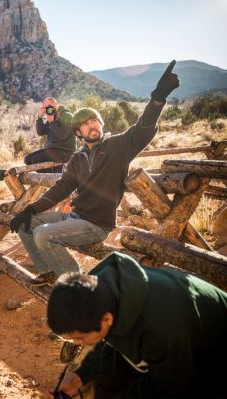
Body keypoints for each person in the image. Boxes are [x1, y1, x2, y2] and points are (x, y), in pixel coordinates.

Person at [10, 60, 180, 286]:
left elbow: (143, 130)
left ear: (100, 124)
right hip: (75, 217)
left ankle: (79, 284)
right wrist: (30, 209)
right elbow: (61, 188)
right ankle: (49, 271)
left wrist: (158, 98)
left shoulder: (118, 146)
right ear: (78, 132)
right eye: (85, 124)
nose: (92, 126)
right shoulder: (78, 158)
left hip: (97, 224)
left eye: (94, 121)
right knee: (25, 223)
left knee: (43, 234)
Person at [47, 252, 227, 399]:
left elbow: (167, 388)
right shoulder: (100, 294)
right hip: (173, 348)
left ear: (107, 319)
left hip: (211, 354)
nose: (78, 343)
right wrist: (79, 377)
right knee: (107, 380)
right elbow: (111, 343)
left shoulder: (160, 326)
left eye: (81, 337)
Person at [24, 97, 75, 172]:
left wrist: (51, 122)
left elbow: (63, 135)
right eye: (45, 107)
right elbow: (41, 132)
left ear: (56, 105)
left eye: (49, 106)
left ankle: (54, 179)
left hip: (65, 152)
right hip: (52, 150)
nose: (48, 109)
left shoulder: (67, 116)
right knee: (27, 159)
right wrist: (40, 118)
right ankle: (50, 177)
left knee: (36, 159)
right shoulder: (52, 116)